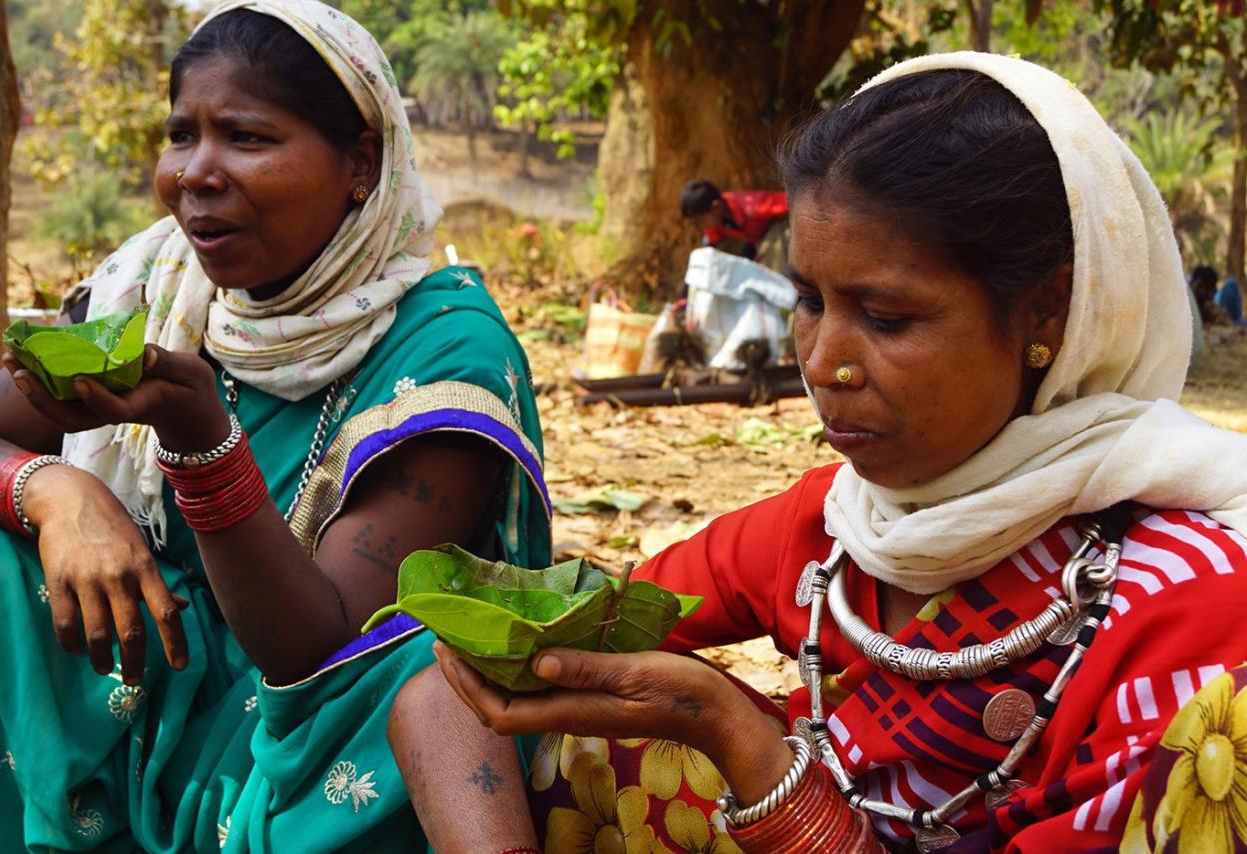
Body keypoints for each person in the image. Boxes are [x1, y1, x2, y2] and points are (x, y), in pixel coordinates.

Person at [401, 53, 1247, 852]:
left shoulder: (1189, 615)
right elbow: (581, 635)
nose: (821, 362)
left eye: (885, 318)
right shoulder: (834, 531)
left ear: (1046, 313)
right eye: (808, 299)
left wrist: (732, 731)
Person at [0, 1, 551, 850]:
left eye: (245, 137)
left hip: (308, 736)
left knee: (421, 676)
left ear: (361, 161)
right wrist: (54, 490)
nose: (195, 174)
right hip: (149, 672)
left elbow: (317, 652)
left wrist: (199, 438)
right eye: (182, 135)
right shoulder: (159, 289)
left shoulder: (445, 352)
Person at [679, 179, 790, 271]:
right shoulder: (717, 220)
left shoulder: (754, 207)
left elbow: (791, 202)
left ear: (716, 207)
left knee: (774, 258)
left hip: (781, 226)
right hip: (757, 239)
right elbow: (709, 246)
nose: (700, 226)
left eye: (701, 220)